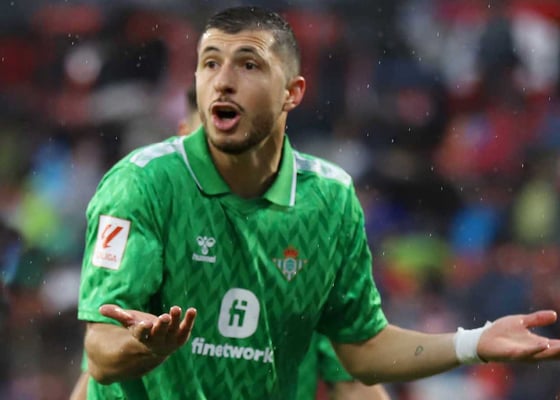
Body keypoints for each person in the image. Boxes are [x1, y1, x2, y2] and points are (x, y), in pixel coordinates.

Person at [78, 6, 560, 400]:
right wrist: (148, 347)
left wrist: (475, 343)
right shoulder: (141, 184)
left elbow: (361, 352)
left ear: (292, 93)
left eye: (248, 64)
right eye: (209, 63)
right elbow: (99, 352)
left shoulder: (329, 200)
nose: (223, 81)